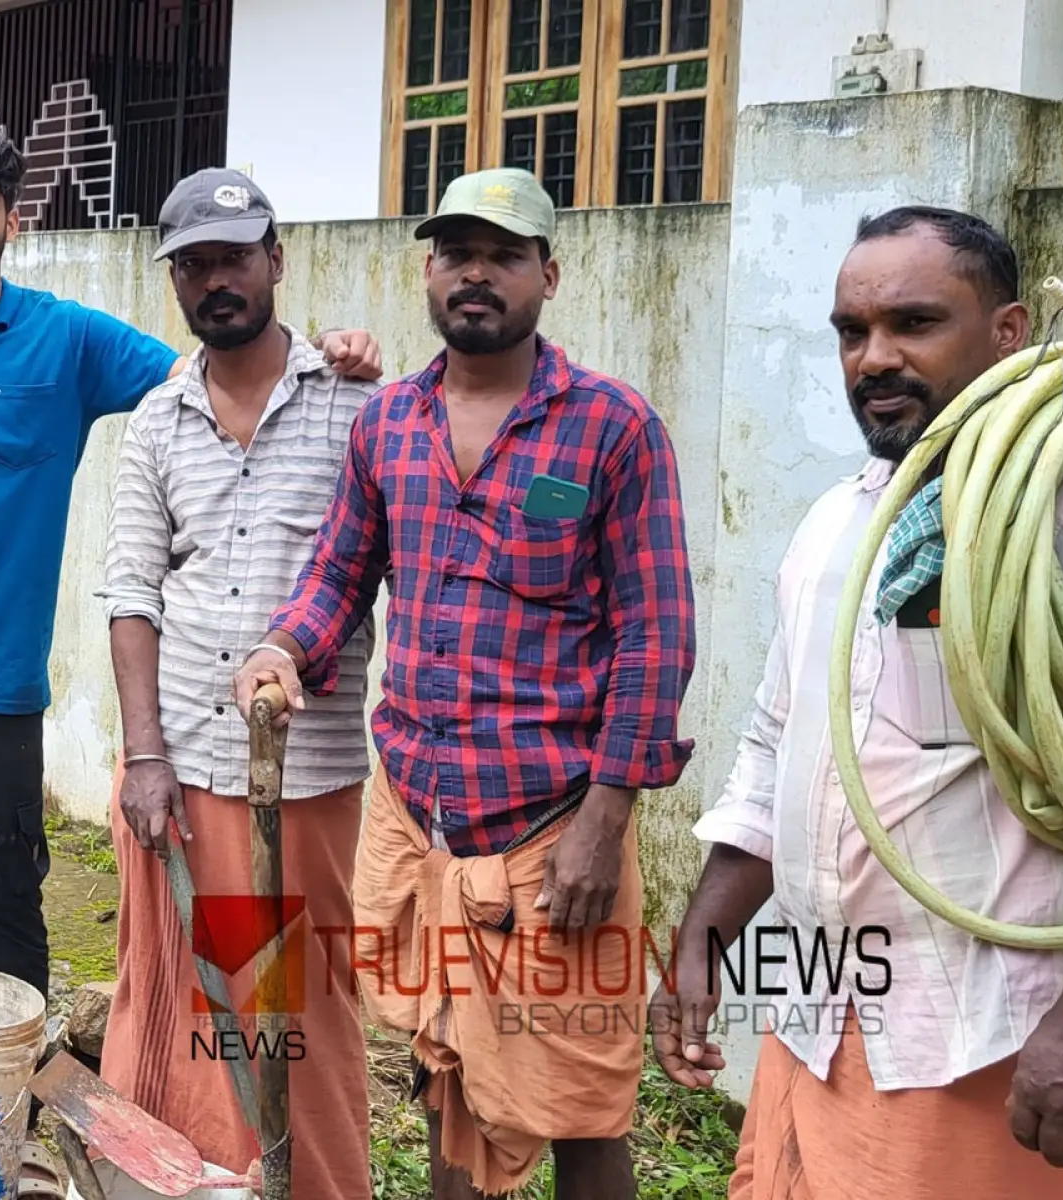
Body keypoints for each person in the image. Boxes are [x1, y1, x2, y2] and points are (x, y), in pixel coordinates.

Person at [0, 120, 377, 1189]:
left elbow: (213, 370)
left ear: (13, 219)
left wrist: (334, 353)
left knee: (5, 906)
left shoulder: (71, 342)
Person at [649, 206, 1063, 1199]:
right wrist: (700, 944)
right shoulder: (837, 521)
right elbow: (776, 746)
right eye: (851, 332)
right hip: (813, 1024)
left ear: (1007, 331)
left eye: (912, 323)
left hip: (982, 1049)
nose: (873, 357)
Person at [233, 167, 697, 1200]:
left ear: (548, 274)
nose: (473, 275)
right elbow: (338, 579)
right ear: (428, 273)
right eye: (452, 253)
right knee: (446, 1077)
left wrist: (605, 819)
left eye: (500, 254)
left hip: (549, 830)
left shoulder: (611, 428)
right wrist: (281, 649)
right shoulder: (387, 424)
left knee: (577, 1105)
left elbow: (654, 640)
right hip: (419, 821)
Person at [96, 168, 378, 1197]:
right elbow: (131, 595)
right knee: (174, 1001)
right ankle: (185, 1181)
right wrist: (143, 756)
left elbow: (374, 564)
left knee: (291, 1009)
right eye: (194, 265)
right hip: (179, 764)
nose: (215, 281)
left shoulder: (357, 406)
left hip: (302, 774)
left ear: (275, 261)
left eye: (232, 258)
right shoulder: (157, 420)